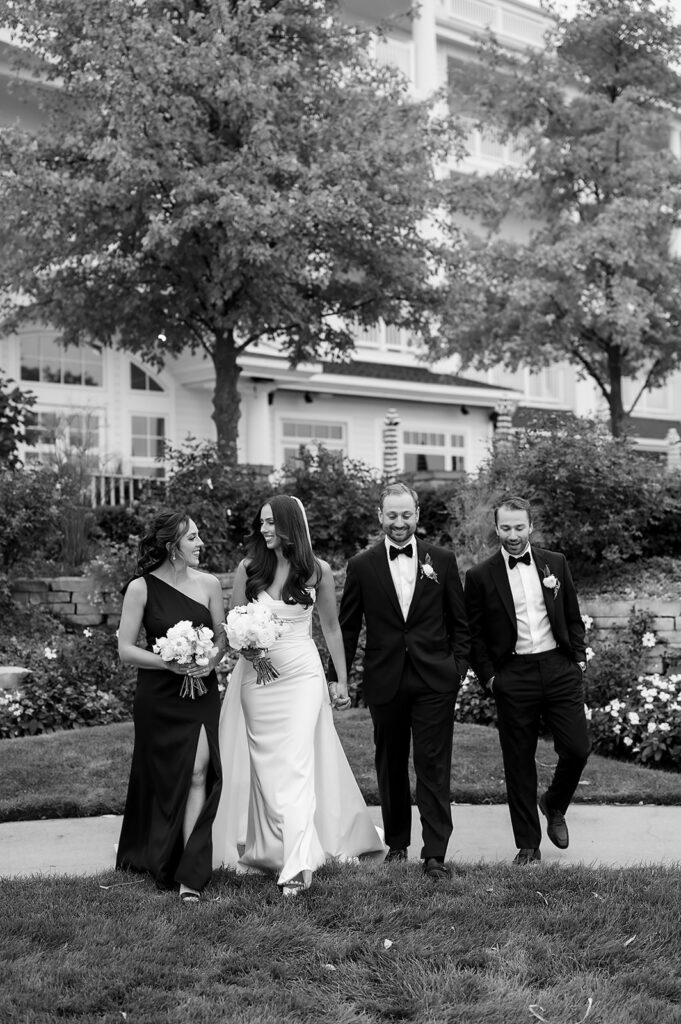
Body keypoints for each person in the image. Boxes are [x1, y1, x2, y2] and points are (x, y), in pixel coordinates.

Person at [212, 495, 386, 896]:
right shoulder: (249, 568)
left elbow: (331, 627)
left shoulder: (317, 570)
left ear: (290, 524)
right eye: (261, 523)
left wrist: (340, 680)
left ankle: (297, 863)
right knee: (266, 769)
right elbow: (233, 623)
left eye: (271, 522)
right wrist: (245, 647)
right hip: (257, 680)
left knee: (296, 766)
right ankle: (270, 849)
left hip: (303, 677)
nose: (264, 529)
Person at [328, 482, 470, 881]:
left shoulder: (443, 560)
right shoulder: (362, 565)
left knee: (432, 765)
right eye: (392, 515)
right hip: (385, 678)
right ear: (380, 516)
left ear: (417, 514)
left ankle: (435, 853)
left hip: (434, 679)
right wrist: (338, 677)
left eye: (406, 514)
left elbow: (460, 622)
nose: (399, 522)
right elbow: (347, 627)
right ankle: (396, 843)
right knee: (390, 764)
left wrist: (457, 670)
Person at [464, 495, 591, 866]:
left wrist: (578, 658)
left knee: (577, 749)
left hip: (558, 667)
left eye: (519, 527)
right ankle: (528, 846)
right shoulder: (480, 575)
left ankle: (554, 802)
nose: (513, 534)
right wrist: (490, 678)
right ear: (496, 528)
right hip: (513, 674)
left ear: (531, 526)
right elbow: (474, 635)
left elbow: (572, 614)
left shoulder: (555, 563)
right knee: (518, 761)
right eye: (506, 527)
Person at [116, 510, 224, 902]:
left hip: (201, 692)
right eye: (192, 537)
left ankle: (191, 874)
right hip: (158, 696)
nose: (200, 543)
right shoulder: (140, 588)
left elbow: (221, 639)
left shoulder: (210, 584)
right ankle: (160, 853)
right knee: (163, 777)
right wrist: (169, 663)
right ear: (171, 545)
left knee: (198, 772)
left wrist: (207, 662)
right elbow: (126, 649)